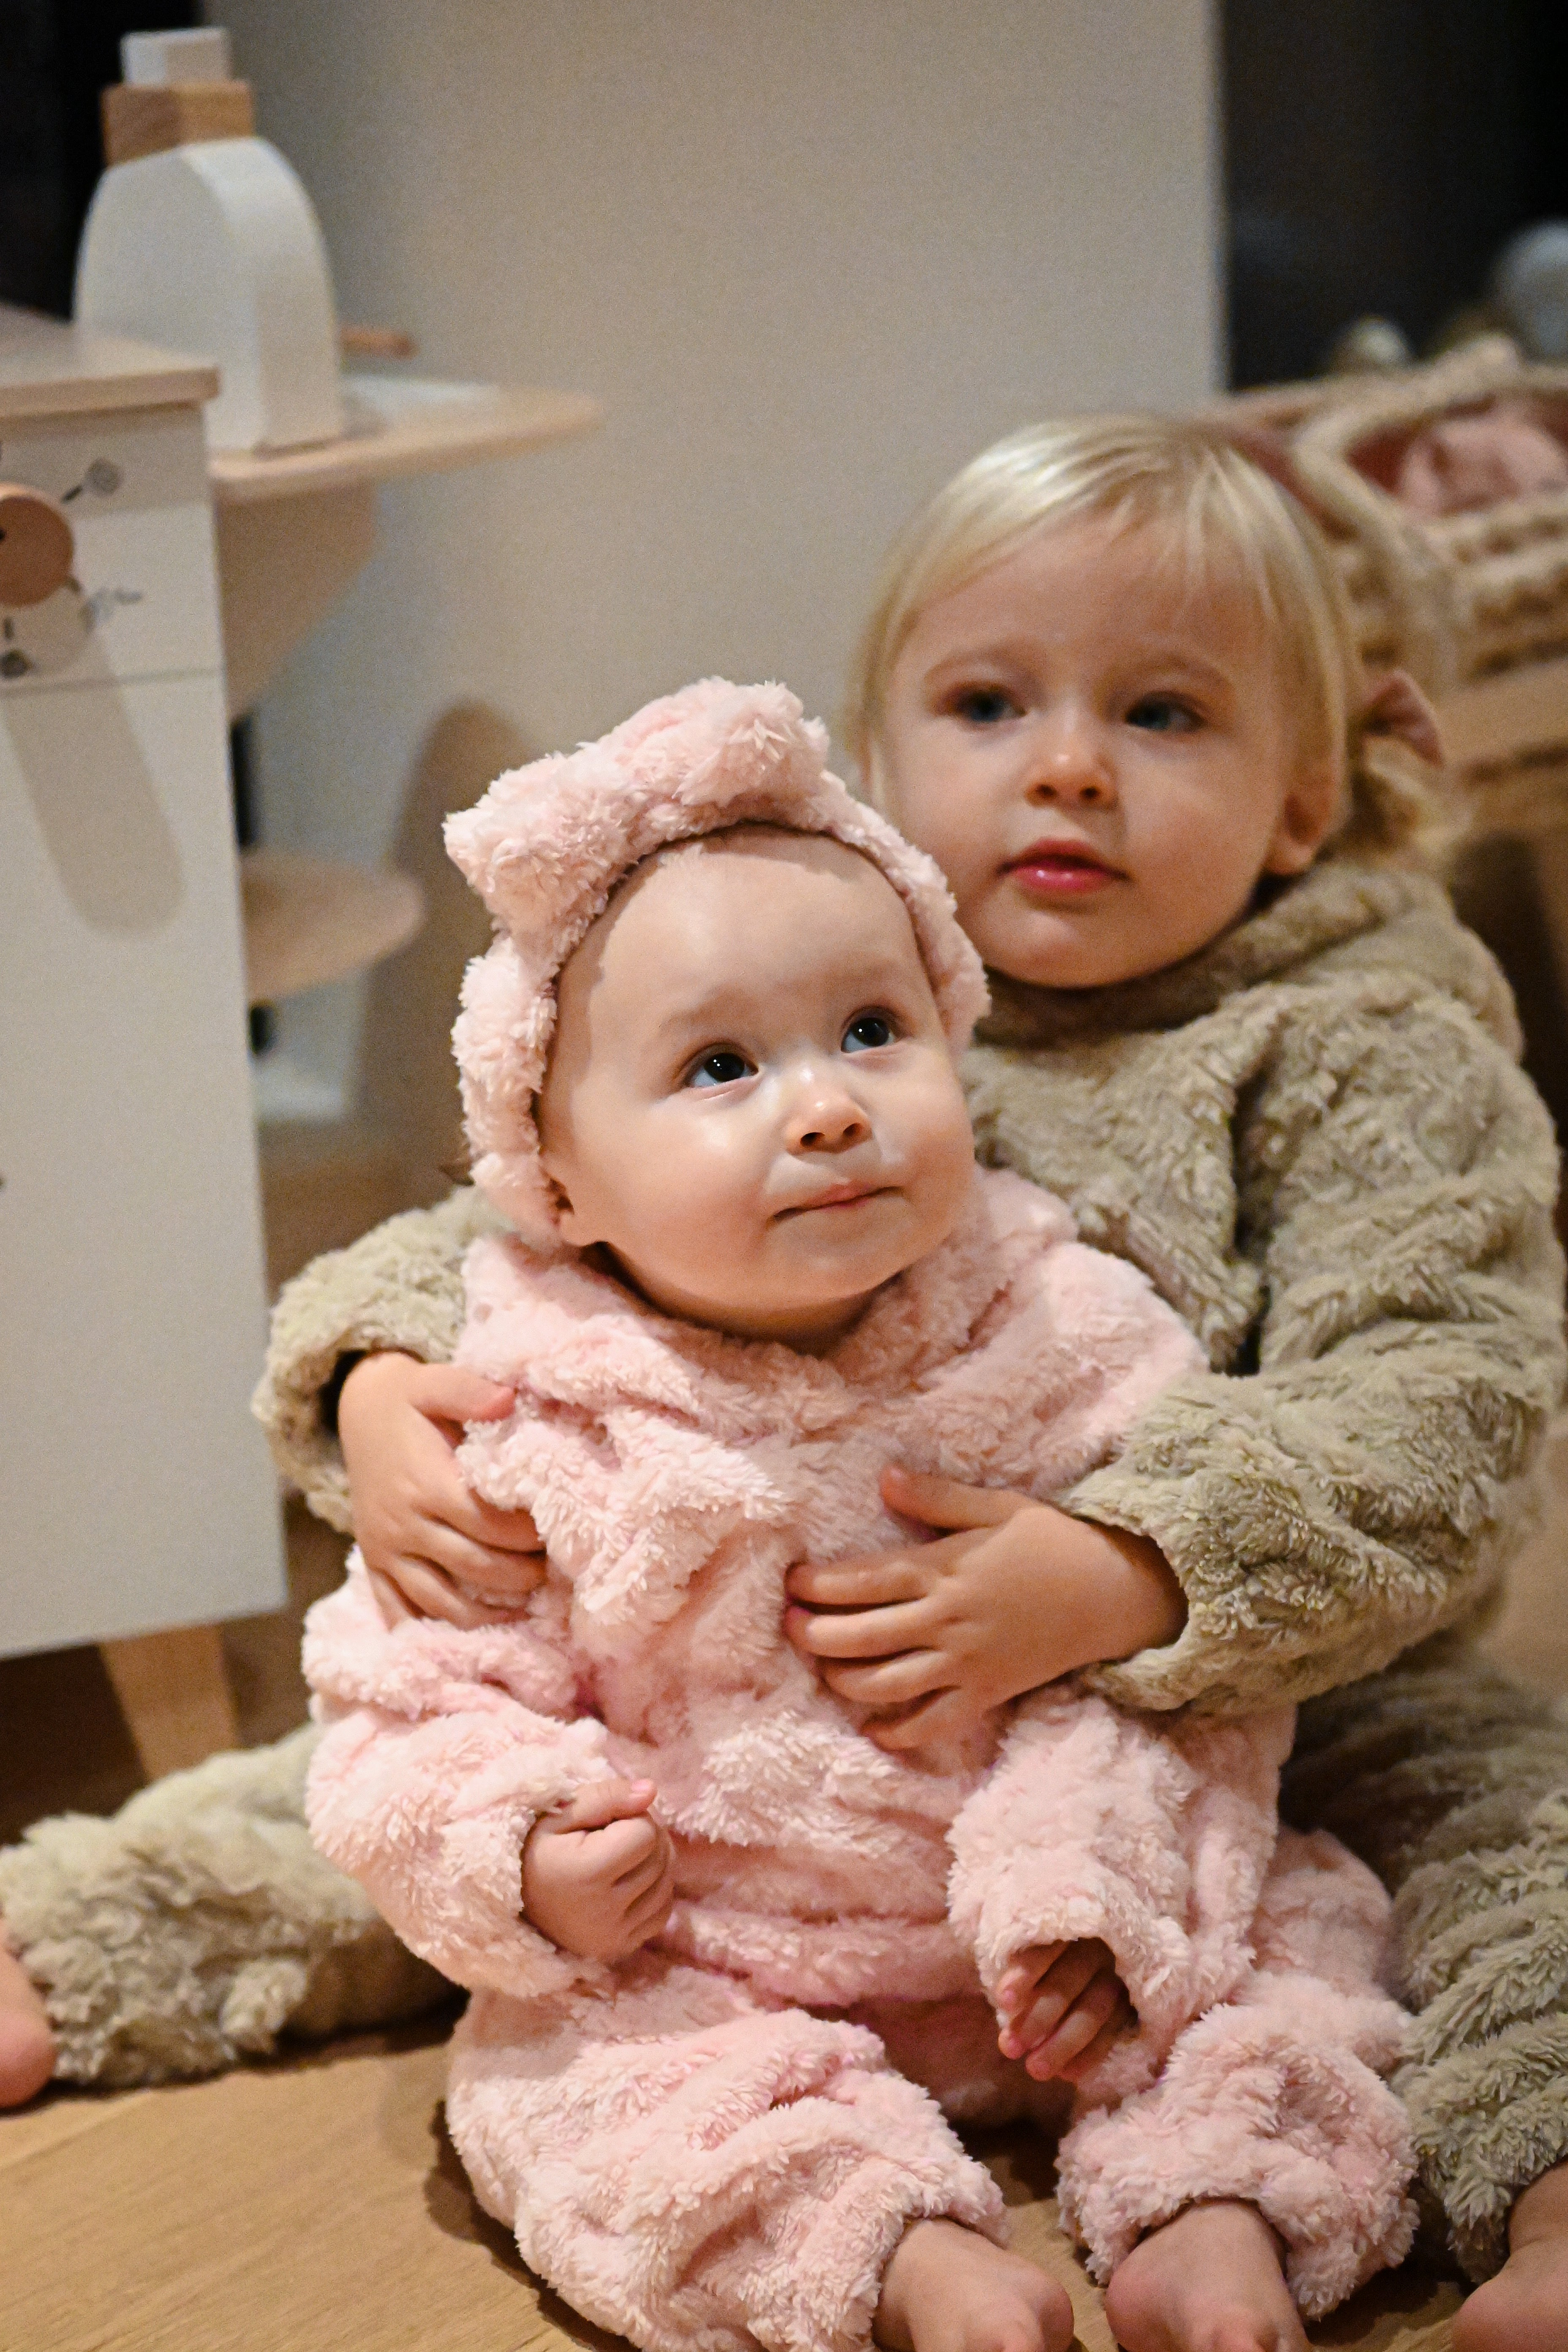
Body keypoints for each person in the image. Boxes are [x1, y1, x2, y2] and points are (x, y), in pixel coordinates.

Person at [2, 417, 1563, 2351]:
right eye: (989, 704)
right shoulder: (844, 985)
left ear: (1304, 796)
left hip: (1288, 1685)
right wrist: (384, 1376)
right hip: (802, 1705)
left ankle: (1545, 2200)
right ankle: (74, 1948)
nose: (1068, 764)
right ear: (883, 766)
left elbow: (1446, 1398)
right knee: (462, 1796)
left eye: (1161, 714)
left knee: (1508, 1854)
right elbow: (549, 1203)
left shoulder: (1373, 1046)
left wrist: (1138, 1570)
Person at [302, 675, 1414, 2352]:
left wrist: (1092, 1884)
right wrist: (520, 1853)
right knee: (571, 2087)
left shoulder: (1064, 1325)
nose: (825, 1106)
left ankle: (1218, 2205)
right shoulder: (526, 1401)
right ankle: (885, 2256)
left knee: (1302, 1940)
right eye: (721, 1065)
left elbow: (1201, 1668)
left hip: (1063, 1940)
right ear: (558, 1180)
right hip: (710, 1952)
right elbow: (407, 1704)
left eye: (875, 1031)